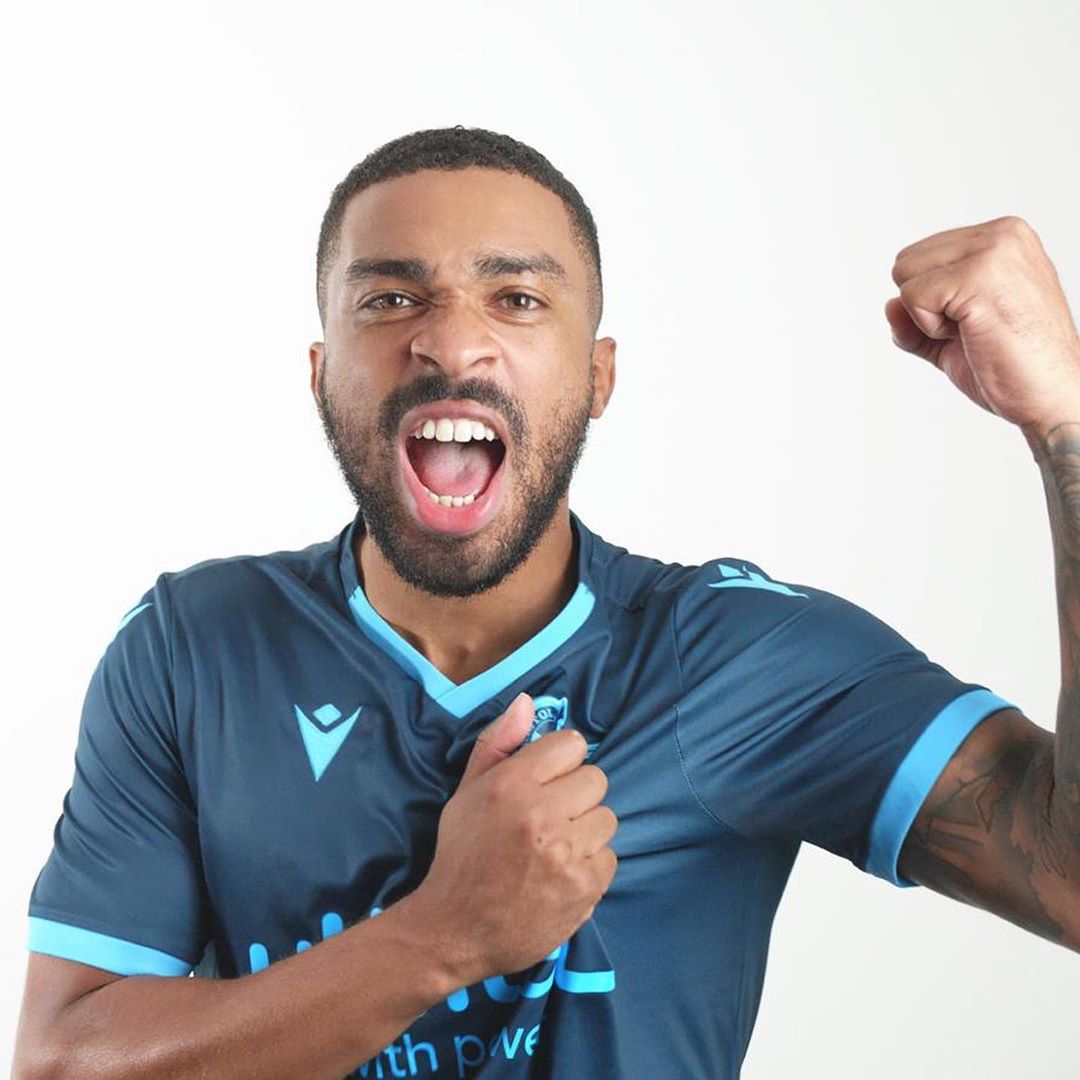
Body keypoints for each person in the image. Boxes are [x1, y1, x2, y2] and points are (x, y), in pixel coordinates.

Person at [13, 125, 1080, 1080]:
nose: (450, 341)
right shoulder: (195, 650)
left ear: (598, 376)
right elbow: (63, 1062)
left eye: (517, 299)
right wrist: (445, 937)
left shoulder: (741, 658)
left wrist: (1064, 417)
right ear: (320, 371)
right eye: (390, 299)